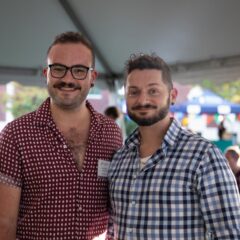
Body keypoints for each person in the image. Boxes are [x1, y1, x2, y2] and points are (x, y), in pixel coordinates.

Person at [0, 31, 122, 239]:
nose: (68, 79)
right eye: (58, 69)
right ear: (46, 73)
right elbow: (5, 223)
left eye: (79, 70)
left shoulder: (112, 134)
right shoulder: (15, 135)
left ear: (92, 77)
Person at [107, 53, 240, 239]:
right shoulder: (119, 158)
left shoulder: (204, 156)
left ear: (173, 96)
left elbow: (229, 235)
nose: (142, 100)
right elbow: (113, 230)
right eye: (134, 91)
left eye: (153, 91)